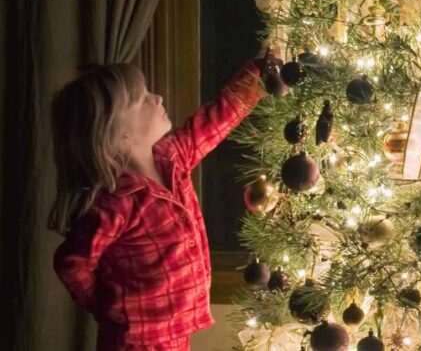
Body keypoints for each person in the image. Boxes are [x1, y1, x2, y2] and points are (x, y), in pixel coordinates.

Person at [50, 46, 276, 350]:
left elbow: (212, 122)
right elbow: (71, 263)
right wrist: (111, 309)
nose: (157, 99)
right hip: (135, 343)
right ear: (120, 134)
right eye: (144, 99)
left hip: (175, 335)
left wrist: (257, 74)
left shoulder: (171, 157)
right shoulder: (116, 203)